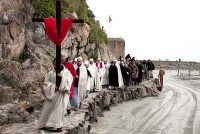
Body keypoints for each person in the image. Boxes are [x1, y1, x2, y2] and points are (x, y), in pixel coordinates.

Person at [38, 58, 73, 131]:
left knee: (59, 110)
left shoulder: (66, 72)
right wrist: (53, 87)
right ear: (53, 64)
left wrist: (63, 77)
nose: (56, 65)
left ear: (61, 63)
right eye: (55, 63)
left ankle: (57, 126)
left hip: (62, 94)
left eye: (58, 63)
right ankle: (44, 123)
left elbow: (70, 79)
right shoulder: (50, 73)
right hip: (52, 93)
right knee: (48, 109)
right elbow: (46, 83)